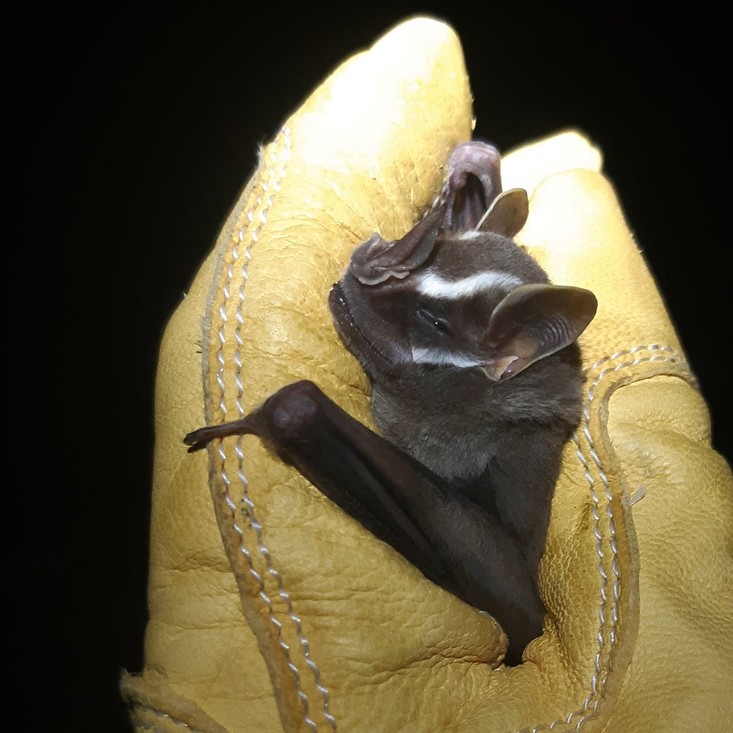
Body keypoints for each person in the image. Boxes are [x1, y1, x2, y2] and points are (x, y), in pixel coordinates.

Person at [121, 17, 733, 732]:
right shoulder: (471, 335)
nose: (391, 291)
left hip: (471, 523)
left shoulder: (507, 441)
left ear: (503, 359)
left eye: (432, 319)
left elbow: (511, 592)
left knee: (298, 414)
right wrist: (453, 213)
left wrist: (303, 425)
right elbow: (451, 271)